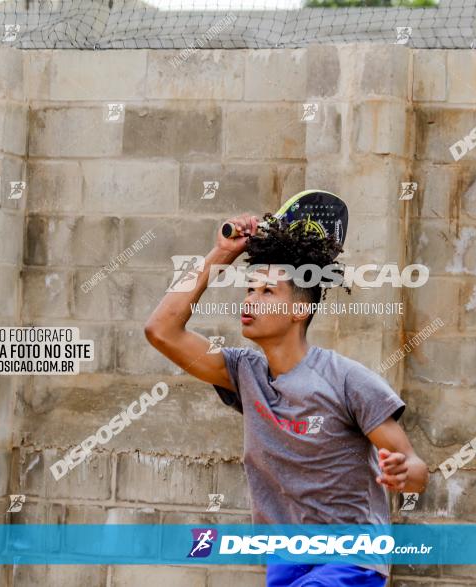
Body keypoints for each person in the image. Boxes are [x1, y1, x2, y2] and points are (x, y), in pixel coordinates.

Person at [144, 212, 428, 586]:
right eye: (249, 289)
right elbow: (160, 330)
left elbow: (416, 469)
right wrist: (221, 253)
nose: (251, 299)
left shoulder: (345, 379)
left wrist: (405, 473)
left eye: (267, 292)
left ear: (299, 309)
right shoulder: (244, 373)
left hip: (350, 558)